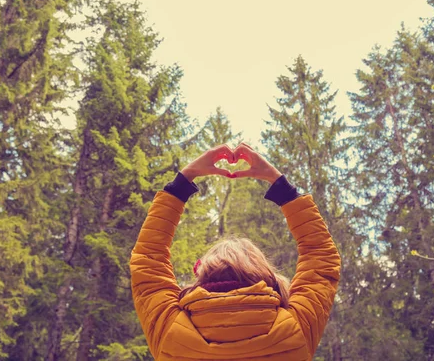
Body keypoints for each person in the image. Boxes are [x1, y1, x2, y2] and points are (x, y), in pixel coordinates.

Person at [130, 143, 341, 361]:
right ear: (265, 275)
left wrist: (183, 181)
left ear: (202, 275)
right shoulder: (293, 331)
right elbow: (321, 258)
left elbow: (148, 261)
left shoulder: (171, 332)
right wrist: (282, 188)